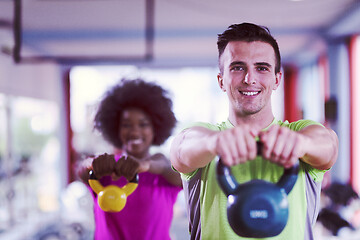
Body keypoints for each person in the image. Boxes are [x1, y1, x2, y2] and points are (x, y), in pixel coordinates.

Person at [170, 23, 339, 240]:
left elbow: (329, 146)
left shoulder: (298, 133)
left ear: (277, 79)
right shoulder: (207, 136)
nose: (250, 79)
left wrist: (301, 144)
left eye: (262, 68)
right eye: (238, 67)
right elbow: (182, 149)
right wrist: (215, 143)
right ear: (221, 80)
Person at [77, 78, 182, 240]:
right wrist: (92, 164)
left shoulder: (162, 168)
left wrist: (145, 165)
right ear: (116, 129)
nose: (134, 131)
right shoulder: (108, 168)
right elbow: (83, 171)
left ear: (155, 129)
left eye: (143, 124)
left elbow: (171, 171)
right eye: (126, 125)